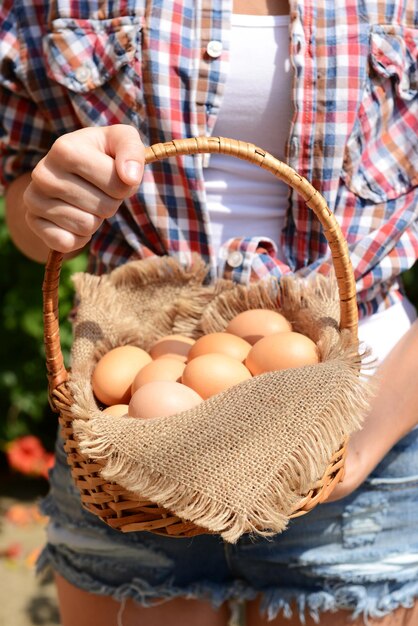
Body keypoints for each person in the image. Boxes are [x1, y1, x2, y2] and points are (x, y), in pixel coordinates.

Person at [1, 0, 418, 624]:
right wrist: (51, 204)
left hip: (361, 422)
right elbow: (26, 209)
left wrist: (367, 437)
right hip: (131, 456)